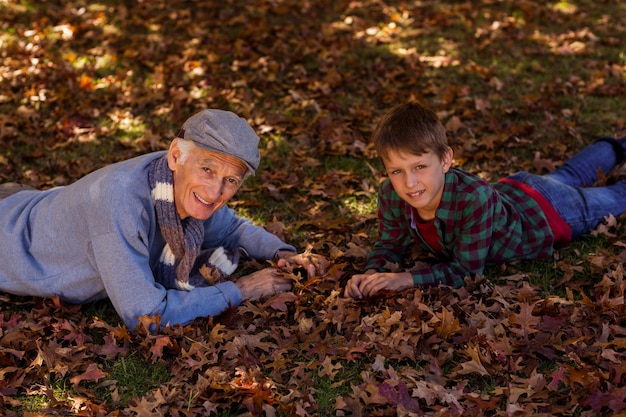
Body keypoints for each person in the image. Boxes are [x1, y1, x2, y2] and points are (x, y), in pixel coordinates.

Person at [0, 109, 326, 330]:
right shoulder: (119, 203)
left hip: (29, 200)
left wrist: (283, 253)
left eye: (231, 180)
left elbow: (232, 229)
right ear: (175, 155)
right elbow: (145, 315)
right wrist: (240, 290)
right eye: (207, 169)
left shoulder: (174, 183)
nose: (214, 192)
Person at [345, 101, 626, 300]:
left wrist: (404, 278)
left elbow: (466, 271)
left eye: (420, 166)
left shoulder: (473, 199)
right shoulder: (391, 194)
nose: (409, 183)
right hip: (519, 189)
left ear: (445, 160)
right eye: (397, 171)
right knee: (571, 172)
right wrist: (373, 273)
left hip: (550, 213)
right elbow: (390, 243)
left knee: (617, 195)